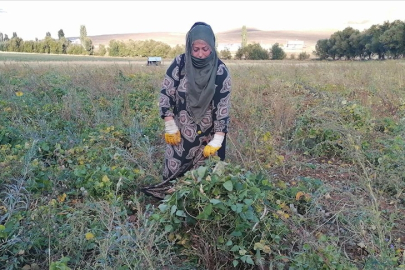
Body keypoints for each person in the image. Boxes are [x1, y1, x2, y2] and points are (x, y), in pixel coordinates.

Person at [141, 22, 232, 200]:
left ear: (212, 46)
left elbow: (223, 106)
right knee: (174, 174)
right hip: (180, 131)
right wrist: (169, 123)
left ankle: (195, 210)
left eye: (205, 49)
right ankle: (170, 206)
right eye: (195, 49)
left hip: (207, 135)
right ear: (189, 46)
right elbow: (166, 92)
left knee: (204, 180)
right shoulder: (179, 64)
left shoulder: (221, 71)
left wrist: (218, 139)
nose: (200, 54)